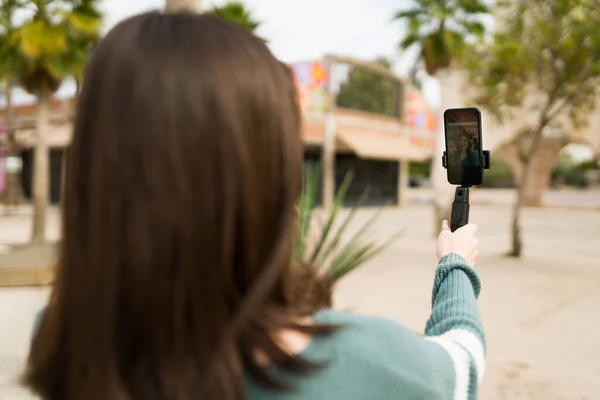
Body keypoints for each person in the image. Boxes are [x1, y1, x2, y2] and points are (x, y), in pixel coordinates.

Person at [25, 11, 485, 400]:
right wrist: (455, 264)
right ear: (273, 180)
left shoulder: (63, 347)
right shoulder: (362, 362)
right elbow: (463, 358)